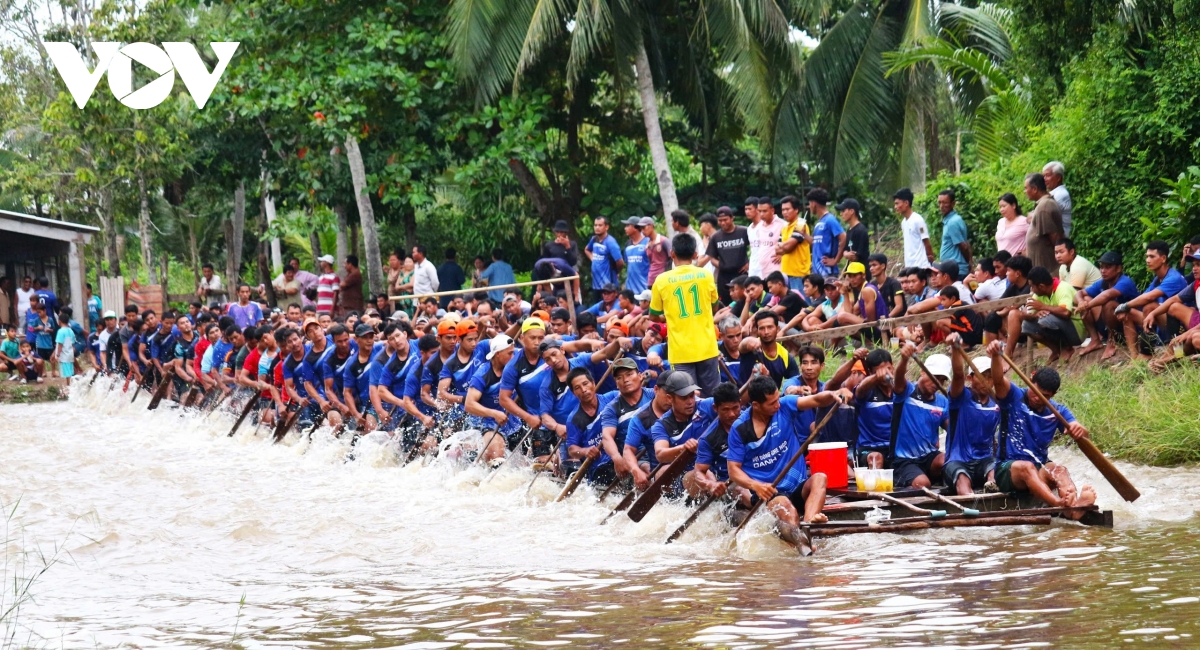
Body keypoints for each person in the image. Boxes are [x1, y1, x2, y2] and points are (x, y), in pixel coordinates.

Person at [729, 376, 846, 543]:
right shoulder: (740, 429)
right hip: (770, 492)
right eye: (771, 403)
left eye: (778, 399)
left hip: (797, 486)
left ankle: (808, 524)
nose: (777, 405)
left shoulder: (784, 406)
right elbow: (733, 469)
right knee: (787, 509)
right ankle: (802, 542)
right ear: (756, 405)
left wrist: (833, 395)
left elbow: (815, 399)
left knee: (820, 478)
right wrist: (755, 485)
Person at [986, 340, 1096, 518]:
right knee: (1027, 467)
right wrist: (996, 356)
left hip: (1038, 467)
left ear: (1052, 395)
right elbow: (998, 380)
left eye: (1044, 396)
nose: (1038, 398)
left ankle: (1073, 507)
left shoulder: (1057, 410)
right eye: (1035, 392)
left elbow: (1082, 432)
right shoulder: (1014, 396)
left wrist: (1078, 429)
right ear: (1030, 382)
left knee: (1059, 470)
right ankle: (1059, 505)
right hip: (1008, 470)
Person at [649, 233, 721, 396]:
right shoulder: (706, 275)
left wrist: (668, 317)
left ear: (672, 253)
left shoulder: (661, 280)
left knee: (687, 399)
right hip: (707, 347)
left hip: (680, 351)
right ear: (695, 255)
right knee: (713, 397)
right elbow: (714, 307)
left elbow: (653, 316)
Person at [943, 334, 999, 495]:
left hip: (984, 460)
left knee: (995, 470)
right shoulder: (960, 397)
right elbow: (958, 374)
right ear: (970, 378)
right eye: (982, 377)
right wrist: (955, 348)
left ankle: (992, 488)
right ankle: (970, 505)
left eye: (990, 378)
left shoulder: (996, 403)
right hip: (957, 460)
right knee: (962, 478)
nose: (987, 382)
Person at [891, 343, 950, 488]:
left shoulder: (942, 401)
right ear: (923, 372)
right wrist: (904, 359)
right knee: (923, 484)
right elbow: (898, 379)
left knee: (947, 461)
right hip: (903, 459)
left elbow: (954, 429)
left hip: (929, 457)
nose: (938, 383)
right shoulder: (906, 392)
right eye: (935, 377)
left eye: (942, 380)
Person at [1116, 240, 1187, 360]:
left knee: (1150, 307)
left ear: (1163, 258)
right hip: (1163, 323)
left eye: (1152, 256)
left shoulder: (1174, 278)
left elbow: (1149, 297)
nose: (1147, 260)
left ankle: (1147, 353)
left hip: (1180, 327)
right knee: (1129, 313)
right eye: (1147, 256)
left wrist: (1124, 305)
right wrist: (1126, 308)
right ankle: (1134, 358)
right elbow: (1143, 298)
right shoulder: (1157, 279)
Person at [1075, 251, 1140, 359]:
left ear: (1118, 269)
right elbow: (1079, 293)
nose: (1103, 270)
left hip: (1128, 326)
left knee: (1109, 304)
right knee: (1085, 298)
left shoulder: (1125, 282)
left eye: (1107, 267)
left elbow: (1107, 295)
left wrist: (1086, 306)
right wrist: (1082, 302)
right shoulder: (1102, 282)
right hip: (1108, 324)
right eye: (1101, 267)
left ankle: (1111, 341)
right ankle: (1095, 340)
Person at [1021, 266, 1084, 363]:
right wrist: (1036, 314)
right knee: (1026, 325)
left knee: (1045, 320)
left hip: (1077, 332)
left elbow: (1066, 312)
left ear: (1041, 286)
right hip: (1062, 327)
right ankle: (1056, 350)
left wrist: (1042, 306)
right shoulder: (1038, 294)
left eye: (1032, 286)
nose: (1031, 290)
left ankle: (1067, 348)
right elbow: (1024, 314)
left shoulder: (1063, 288)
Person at [701, 207, 750, 304]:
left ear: (732, 218)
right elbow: (712, 257)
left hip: (741, 275)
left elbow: (756, 247)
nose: (723, 223)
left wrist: (749, 263)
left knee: (745, 301)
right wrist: (721, 265)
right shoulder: (716, 237)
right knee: (725, 303)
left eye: (725, 220)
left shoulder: (744, 231)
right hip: (724, 277)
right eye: (720, 220)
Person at [739, 310, 799, 388]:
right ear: (757, 330)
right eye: (762, 328)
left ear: (777, 329)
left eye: (770, 327)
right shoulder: (751, 347)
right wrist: (748, 341)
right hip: (744, 398)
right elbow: (742, 346)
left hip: (771, 398)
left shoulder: (785, 356)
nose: (766, 332)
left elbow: (795, 381)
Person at [1023, 172, 1064, 271]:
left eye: (1026, 188)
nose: (1024, 191)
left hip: (1048, 269)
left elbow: (1055, 238)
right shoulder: (1043, 204)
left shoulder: (1044, 206)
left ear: (1035, 189)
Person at [583, 216, 624, 302]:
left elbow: (620, 262)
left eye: (600, 225)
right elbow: (587, 249)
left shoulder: (610, 242)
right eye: (595, 225)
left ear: (606, 227)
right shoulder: (594, 239)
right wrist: (593, 259)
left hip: (608, 285)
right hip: (596, 284)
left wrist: (617, 272)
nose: (597, 227)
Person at [776, 195, 813, 291]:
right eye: (783, 210)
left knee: (802, 304)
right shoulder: (784, 227)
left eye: (787, 209)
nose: (784, 212)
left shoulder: (800, 225)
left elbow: (788, 247)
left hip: (799, 274)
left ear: (796, 210)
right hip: (785, 273)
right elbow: (777, 250)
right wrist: (783, 246)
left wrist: (782, 245)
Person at [808, 188, 846, 276]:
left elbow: (843, 237)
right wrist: (804, 234)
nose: (809, 206)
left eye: (809, 203)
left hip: (827, 272)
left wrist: (836, 260)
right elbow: (816, 243)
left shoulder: (830, 220)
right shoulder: (819, 222)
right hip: (817, 271)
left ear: (814, 204)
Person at [937, 189, 972, 279]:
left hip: (957, 271)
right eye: (939, 203)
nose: (941, 206)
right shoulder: (951, 220)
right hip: (951, 269)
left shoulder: (952, 222)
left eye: (945, 203)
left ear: (953, 204)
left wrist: (968, 264)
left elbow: (963, 246)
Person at [895, 188, 933, 269]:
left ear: (906, 203)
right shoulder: (904, 222)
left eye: (897, 203)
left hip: (920, 266)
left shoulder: (918, 220)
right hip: (909, 266)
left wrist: (930, 260)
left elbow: (927, 242)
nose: (895, 207)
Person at [752, 198, 784, 278]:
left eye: (765, 211)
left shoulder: (782, 225)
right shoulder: (759, 226)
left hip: (777, 270)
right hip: (763, 270)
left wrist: (783, 255)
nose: (762, 214)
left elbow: (791, 244)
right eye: (759, 211)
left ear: (772, 210)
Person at [867, 254, 905, 318]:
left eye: (874, 265)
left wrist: (886, 319)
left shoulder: (894, 283)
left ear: (883, 266)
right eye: (870, 266)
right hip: (879, 323)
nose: (871, 268)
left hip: (897, 321)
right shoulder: (871, 286)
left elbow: (899, 306)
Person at [1043, 161, 1072, 237]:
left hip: (1059, 241)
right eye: (1043, 176)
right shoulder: (1054, 193)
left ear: (1058, 178)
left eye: (1047, 175)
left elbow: (1044, 214)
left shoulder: (1061, 194)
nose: (1044, 179)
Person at [838, 198, 870, 265]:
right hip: (852, 270)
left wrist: (847, 255)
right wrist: (846, 254)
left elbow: (855, 257)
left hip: (860, 271)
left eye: (843, 211)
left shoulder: (860, 230)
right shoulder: (849, 229)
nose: (841, 214)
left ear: (852, 211)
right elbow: (846, 249)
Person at [53, 311, 76, 378]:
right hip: (70, 354)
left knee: (66, 373)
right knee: (70, 371)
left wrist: (57, 354)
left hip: (64, 355)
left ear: (59, 321)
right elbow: (73, 342)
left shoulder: (60, 331)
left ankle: (68, 386)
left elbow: (60, 344)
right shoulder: (70, 330)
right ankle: (69, 385)